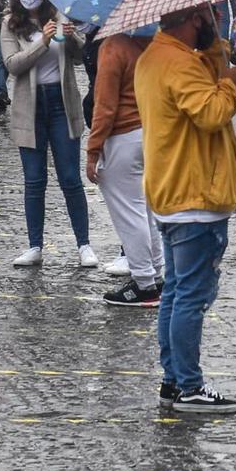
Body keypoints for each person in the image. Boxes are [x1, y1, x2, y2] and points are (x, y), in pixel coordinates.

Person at [137, 3, 236, 413]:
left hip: (172, 193)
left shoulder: (158, 55)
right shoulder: (179, 64)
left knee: (176, 292)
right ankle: (189, 386)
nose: (214, 23)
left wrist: (217, 55)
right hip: (195, 196)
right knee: (192, 296)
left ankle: (173, 379)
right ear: (193, 19)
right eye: (208, 18)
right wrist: (231, 84)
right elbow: (211, 112)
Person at [1, 0, 97, 268]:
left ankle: (84, 245)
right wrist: (41, 41)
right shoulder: (10, 24)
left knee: (70, 177)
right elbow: (13, 65)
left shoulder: (59, 16)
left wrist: (71, 39)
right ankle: (34, 245)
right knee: (34, 180)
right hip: (29, 108)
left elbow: (81, 57)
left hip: (61, 103)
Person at [87, 26, 161, 306]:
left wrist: (93, 150)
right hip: (150, 132)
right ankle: (154, 274)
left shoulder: (114, 45)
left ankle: (144, 283)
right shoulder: (154, 42)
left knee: (130, 214)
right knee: (146, 210)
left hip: (122, 137)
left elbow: (104, 105)